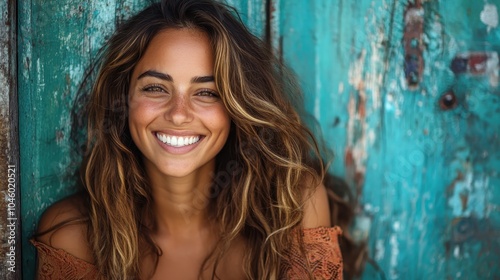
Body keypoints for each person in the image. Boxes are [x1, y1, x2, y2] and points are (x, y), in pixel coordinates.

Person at [31, 0, 345, 279]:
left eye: (207, 92)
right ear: (123, 98)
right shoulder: (72, 238)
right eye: (155, 88)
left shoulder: (293, 206)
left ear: (237, 107)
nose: (179, 114)